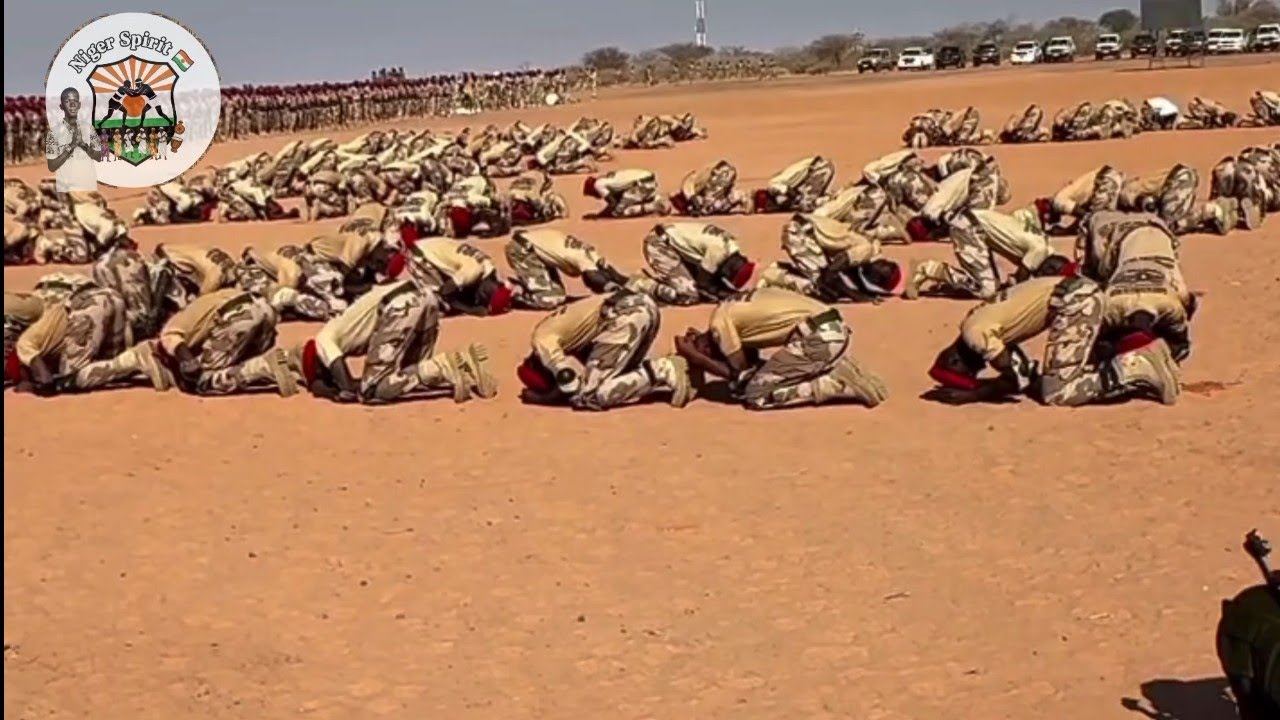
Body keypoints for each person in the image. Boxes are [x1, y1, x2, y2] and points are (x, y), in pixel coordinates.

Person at [926, 275, 1181, 406]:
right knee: (1060, 374)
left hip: (1075, 300)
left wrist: (976, 395)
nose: (979, 369)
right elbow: (1022, 375)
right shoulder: (976, 321)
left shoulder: (975, 335)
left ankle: (1136, 365)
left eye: (967, 371)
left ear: (955, 358)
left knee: (1058, 392)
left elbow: (1013, 379)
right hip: (1076, 293)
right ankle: (1153, 355)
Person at [674, 287, 888, 410]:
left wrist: (697, 358)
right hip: (832, 330)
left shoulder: (719, 325)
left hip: (818, 338)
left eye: (704, 352)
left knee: (755, 395)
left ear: (704, 345)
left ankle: (834, 383)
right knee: (769, 376)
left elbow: (741, 376)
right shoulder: (731, 306)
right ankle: (842, 369)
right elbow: (754, 365)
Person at [296, 278, 496, 404]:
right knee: (410, 374)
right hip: (423, 294)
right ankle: (466, 365)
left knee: (373, 391)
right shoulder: (340, 326)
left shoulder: (321, 340)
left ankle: (444, 364)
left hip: (399, 307)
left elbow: (347, 388)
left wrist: (328, 392)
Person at [516, 289, 692, 410]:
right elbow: (593, 356)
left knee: (590, 396)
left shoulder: (543, 344)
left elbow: (569, 382)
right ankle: (686, 370)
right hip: (640, 304)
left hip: (624, 316)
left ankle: (664, 369)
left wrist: (542, 399)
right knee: (621, 374)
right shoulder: (553, 331)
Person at [904, 207, 1075, 301]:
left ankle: (953, 281)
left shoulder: (1043, 243)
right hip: (970, 228)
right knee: (987, 291)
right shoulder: (1039, 250)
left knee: (993, 284)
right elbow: (1021, 278)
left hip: (975, 224)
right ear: (1050, 268)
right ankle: (928, 269)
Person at [156, 287, 297, 397]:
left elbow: (171, 338)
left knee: (203, 381)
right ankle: (291, 359)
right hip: (263, 307)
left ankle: (262, 367)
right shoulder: (199, 303)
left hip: (238, 317)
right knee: (237, 358)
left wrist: (188, 363)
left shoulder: (172, 323)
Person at [757, 213, 901, 302]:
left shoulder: (868, 252)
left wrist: (864, 292)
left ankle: (782, 271)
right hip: (800, 235)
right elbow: (831, 272)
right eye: (878, 279)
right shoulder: (867, 250)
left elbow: (850, 271)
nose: (873, 279)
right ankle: (774, 276)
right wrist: (856, 296)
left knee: (831, 288)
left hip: (803, 232)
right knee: (822, 290)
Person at [630, 222, 755, 306]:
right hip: (660, 246)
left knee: (700, 282)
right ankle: (644, 283)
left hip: (677, 246)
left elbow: (713, 275)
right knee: (689, 295)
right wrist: (726, 295)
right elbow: (704, 283)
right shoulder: (718, 251)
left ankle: (675, 277)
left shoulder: (732, 245)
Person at [504, 229, 629, 310]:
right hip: (523, 249)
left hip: (538, 247)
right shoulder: (583, 259)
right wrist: (612, 290)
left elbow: (615, 275)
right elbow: (594, 279)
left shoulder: (594, 255)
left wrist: (628, 286)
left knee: (559, 296)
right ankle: (513, 291)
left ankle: (531, 285)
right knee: (548, 300)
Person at [45, 88, 100, 193]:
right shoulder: (53, 133)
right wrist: (72, 145)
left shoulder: (89, 128)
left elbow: (99, 157)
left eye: (75, 101)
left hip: (89, 188)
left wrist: (84, 145)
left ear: (79, 105)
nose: (72, 104)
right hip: (67, 192)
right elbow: (52, 166)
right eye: (67, 101)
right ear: (61, 107)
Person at [754, 156, 836, 213]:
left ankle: (834, 202)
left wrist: (788, 200)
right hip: (817, 171)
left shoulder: (773, 185)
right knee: (806, 199)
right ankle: (832, 198)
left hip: (820, 168)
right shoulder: (776, 190)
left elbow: (789, 192)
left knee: (805, 204)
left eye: (767, 206)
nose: (770, 207)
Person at [669, 160, 750, 217]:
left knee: (709, 206)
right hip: (704, 199)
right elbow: (689, 184)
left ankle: (743, 197)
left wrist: (696, 205)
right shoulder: (699, 186)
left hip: (720, 176)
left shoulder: (687, 189)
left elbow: (690, 190)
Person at [582, 168, 670, 218]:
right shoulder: (605, 179)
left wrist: (599, 216)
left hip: (641, 184)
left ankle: (654, 206)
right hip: (648, 179)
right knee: (623, 203)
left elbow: (613, 203)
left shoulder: (598, 185)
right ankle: (655, 199)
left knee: (618, 213)